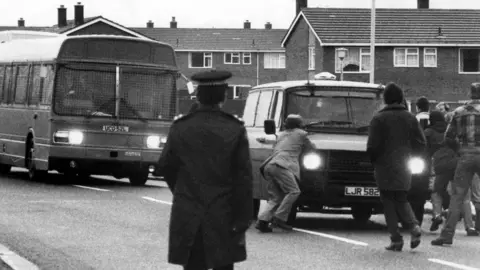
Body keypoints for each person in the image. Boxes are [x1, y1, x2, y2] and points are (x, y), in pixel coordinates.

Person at [158, 70, 253, 270]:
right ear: (223, 96)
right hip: (223, 213)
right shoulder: (234, 128)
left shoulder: (180, 127)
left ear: (198, 95)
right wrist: (243, 218)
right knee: (223, 264)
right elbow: (243, 178)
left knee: (192, 265)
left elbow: (166, 166)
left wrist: (183, 191)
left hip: (188, 211)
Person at [367, 82, 425, 251]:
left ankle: (396, 239)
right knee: (401, 197)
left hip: (383, 165)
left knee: (387, 201)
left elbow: (372, 146)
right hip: (404, 164)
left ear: (385, 99)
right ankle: (414, 226)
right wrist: (412, 157)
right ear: (401, 98)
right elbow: (421, 143)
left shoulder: (378, 118)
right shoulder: (410, 118)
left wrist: (374, 161)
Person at [432, 82, 480, 246]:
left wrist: (460, 149)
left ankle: (447, 235)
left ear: (471, 94)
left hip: (465, 156)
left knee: (457, 196)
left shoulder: (459, 112)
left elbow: (448, 137)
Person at [255, 114, 316, 232]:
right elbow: (312, 148)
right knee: (294, 191)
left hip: (269, 165)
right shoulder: (302, 134)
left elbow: (280, 143)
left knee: (276, 197)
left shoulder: (281, 134)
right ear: (299, 124)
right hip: (282, 165)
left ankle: (262, 222)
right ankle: (279, 218)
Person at [426, 111, 458, 232]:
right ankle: (453, 214)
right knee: (452, 191)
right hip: (453, 162)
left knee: (435, 191)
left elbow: (423, 148)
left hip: (437, 163)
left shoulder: (428, 132)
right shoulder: (450, 130)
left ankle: (437, 215)